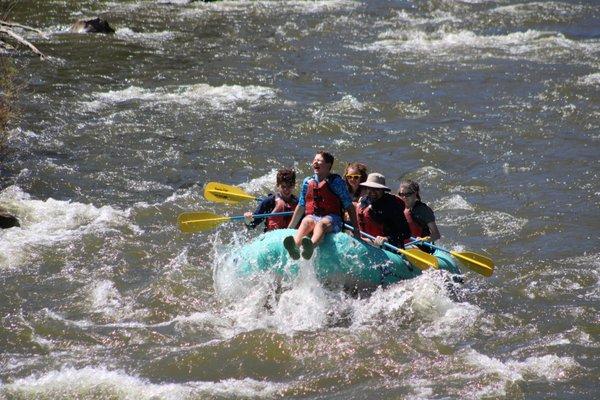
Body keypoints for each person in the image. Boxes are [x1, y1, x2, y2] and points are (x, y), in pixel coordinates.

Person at [284, 151, 360, 260]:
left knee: (321, 224)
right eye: (314, 160)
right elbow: (301, 206)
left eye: (319, 161)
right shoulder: (307, 182)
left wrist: (356, 230)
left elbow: (349, 206)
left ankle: (311, 246)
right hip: (314, 217)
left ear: (328, 165)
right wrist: (289, 229)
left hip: (333, 219)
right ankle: (295, 246)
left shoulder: (336, 182)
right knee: (306, 221)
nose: (315, 162)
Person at [357, 173, 411, 248]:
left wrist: (386, 238)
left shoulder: (392, 206)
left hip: (389, 247)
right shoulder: (363, 201)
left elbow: (406, 233)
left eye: (377, 189)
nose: (372, 192)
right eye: (369, 188)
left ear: (383, 190)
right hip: (369, 242)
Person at [397, 180, 441, 249]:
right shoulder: (398, 207)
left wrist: (424, 240)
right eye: (401, 194)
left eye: (408, 194)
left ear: (415, 193)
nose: (404, 197)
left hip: (419, 248)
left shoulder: (423, 210)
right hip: (402, 246)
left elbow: (436, 235)